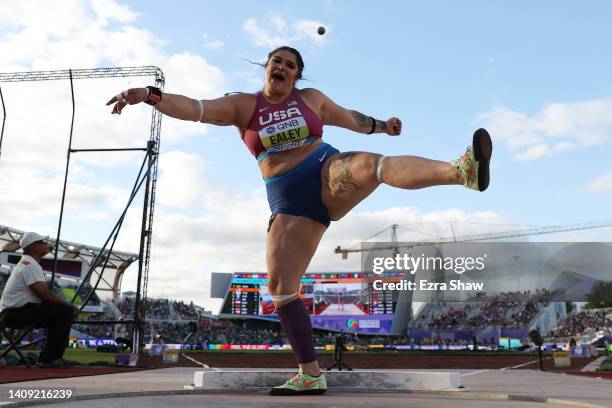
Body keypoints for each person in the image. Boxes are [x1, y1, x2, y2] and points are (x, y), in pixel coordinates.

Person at [107, 45, 492, 395]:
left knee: (372, 165)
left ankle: (461, 172)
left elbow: (349, 118)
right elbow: (194, 108)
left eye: (291, 65)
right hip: (289, 200)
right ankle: (310, 373)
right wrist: (150, 97)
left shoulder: (311, 100)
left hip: (325, 169)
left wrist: (381, 125)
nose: (283, 68)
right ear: (267, 67)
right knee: (282, 289)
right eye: (278, 61)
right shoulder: (243, 105)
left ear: (296, 75)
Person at [0, 232, 80, 368]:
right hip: (15, 314)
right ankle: (50, 359)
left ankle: (48, 358)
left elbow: (43, 295)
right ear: (33, 246)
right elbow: (45, 294)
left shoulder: (27, 263)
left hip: (13, 313)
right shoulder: (30, 265)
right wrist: (70, 306)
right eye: (43, 242)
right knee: (65, 310)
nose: (46, 245)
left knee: (59, 311)